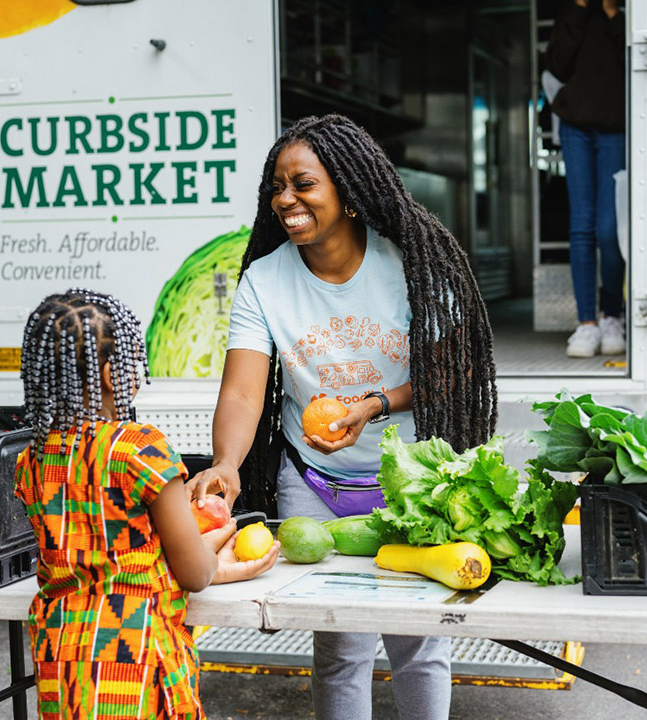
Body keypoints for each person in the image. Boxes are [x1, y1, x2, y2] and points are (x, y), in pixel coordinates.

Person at [186, 114, 498, 720]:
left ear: (348, 193)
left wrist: (375, 404)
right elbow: (245, 393)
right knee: (340, 647)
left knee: (419, 643)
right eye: (278, 186)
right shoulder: (264, 280)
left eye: (303, 184)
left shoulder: (413, 265)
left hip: (408, 483)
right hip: (312, 487)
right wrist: (226, 462)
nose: (286, 199)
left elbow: (451, 373)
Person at [14, 288, 279, 720]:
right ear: (106, 374)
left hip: (61, 658)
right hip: (137, 659)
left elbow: (102, 552)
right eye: (131, 360)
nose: (136, 370)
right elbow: (193, 574)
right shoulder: (139, 450)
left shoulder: (34, 459)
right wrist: (224, 553)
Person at [546, 0, 627, 358]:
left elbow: (635, 65)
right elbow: (557, 66)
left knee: (611, 230)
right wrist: (579, 7)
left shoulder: (628, 15)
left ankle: (612, 315)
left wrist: (612, 14)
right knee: (582, 225)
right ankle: (587, 324)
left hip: (617, 129)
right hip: (576, 126)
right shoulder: (573, 12)